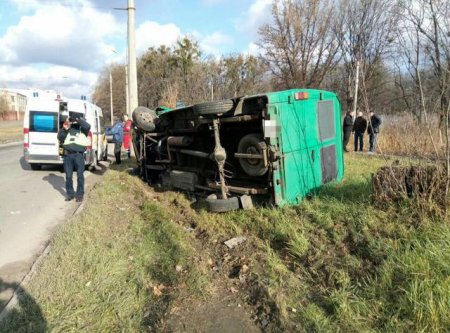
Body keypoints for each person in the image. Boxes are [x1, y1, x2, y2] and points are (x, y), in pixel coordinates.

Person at [58, 115, 91, 202]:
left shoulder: (82, 130)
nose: (73, 122)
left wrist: (77, 119)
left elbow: (87, 126)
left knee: (80, 176)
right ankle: (70, 194)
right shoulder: (68, 130)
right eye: (72, 121)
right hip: (68, 156)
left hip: (78, 156)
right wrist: (64, 128)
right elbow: (60, 136)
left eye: (74, 121)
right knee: (68, 176)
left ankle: (79, 195)